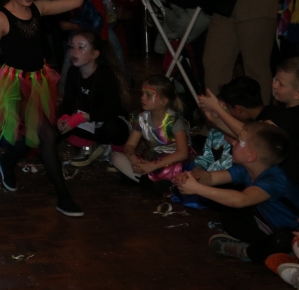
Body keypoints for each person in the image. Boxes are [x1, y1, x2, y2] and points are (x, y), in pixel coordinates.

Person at [0, 0, 96, 217]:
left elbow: (75, 1)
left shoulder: (38, 8)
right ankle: (63, 197)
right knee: (43, 135)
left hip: (38, 80)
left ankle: (8, 161)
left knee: (33, 136)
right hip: (13, 84)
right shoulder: (2, 18)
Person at [175, 122, 299, 264]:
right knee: (228, 215)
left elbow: (241, 200)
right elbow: (211, 178)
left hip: (292, 232)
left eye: (239, 141)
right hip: (267, 225)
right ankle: (268, 251)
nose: (233, 142)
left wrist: (197, 188)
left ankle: (246, 252)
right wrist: (192, 177)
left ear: (251, 156)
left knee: (281, 239)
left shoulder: (274, 180)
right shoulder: (245, 169)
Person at [200, 59, 299, 183]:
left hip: (289, 183)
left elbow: (252, 135)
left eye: (281, 84)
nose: (274, 85)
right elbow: (243, 135)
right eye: (275, 80)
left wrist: (217, 109)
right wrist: (215, 119)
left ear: (297, 94)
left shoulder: (292, 116)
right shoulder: (281, 110)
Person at [56, 30, 130, 167]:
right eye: (72, 47)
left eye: (81, 47)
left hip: (109, 119)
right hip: (91, 122)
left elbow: (113, 109)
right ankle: (92, 146)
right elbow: (67, 101)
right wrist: (64, 117)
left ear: (95, 54)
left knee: (113, 128)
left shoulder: (104, 73)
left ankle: (117, 153)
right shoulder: (73, 72)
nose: (74, 51)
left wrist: (80, 117)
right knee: (58, 127)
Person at [111, 76, 191, 186]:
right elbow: (130, 145)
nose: (142, 98)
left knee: (174, 168)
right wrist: (134, 160)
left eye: (148, 95)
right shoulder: (142, 119)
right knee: (116, 157)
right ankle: (149, 182)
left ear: (163, 101)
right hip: (153, 157)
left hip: (172, 160)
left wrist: (152, 166)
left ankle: (147, 181)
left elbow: (182, 153)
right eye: (142, 93)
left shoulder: (174, 122)